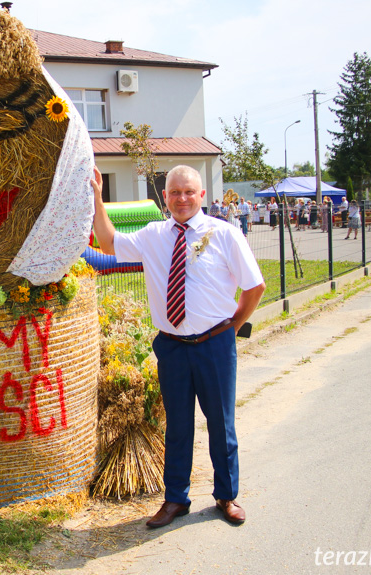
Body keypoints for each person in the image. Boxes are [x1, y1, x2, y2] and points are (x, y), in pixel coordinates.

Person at [91, 165, 266, 528]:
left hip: (215, 345)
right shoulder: (154, 235)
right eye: (174, 193)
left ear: (201, 196)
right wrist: (96, 195)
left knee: (221, 423)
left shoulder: (225, 234)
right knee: (178, 426)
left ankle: (226, 495)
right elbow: (108, 243)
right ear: (165, 197)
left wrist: (232, 327)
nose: (182, 199)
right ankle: (175, 500)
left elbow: (255, 287)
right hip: (171, 347)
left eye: (189, 192)